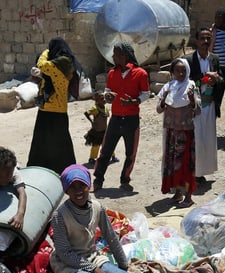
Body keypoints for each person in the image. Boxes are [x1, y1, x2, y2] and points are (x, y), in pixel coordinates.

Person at [50, 164, 138, 273]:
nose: (78, 191)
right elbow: (64, 253)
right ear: (66, 190)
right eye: (72, 187)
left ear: (89, 185)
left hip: (92, 257)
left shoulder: (97, 207)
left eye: (82, 186)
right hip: (68, 265)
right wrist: (94, 270)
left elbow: (111, 237)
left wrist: (124, 266)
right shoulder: (60, 216)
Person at [92, 42, 150, 193]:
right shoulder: (112, 73)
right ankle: (98, 180)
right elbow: (108, 91)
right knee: (106, 150)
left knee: (130, 153)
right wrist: (106, 96)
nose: (113, 57)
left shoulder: (140, 73)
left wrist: (133, 101)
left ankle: (125, 180)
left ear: (123, 56)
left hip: (131, 119)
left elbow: (146, 93)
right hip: (116, 118)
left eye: (115, 54)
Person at [27, 37, 78, 174]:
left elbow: (42, 65)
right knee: (43, 144)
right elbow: (44, 73)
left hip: (56, 112)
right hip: (46, 110)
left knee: (60, 145)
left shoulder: (63, 63)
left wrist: (45, 52)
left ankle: (65, 173)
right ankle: (43, 171)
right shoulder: (53, 70)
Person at [156, 58, 201, 208]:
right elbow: (159, 109)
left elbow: (198, 110)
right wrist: (163, 99)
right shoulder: (168, 87)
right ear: (172, 72)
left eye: (183, 70)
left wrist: (192, 100)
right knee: (172, 163)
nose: (181, 73)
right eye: (177, 70)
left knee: (186, 164)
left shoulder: (191, 86)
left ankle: (188, 196)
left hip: (186, 133)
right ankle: (177, 192)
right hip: (171, 132)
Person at [184, 28, 223, 184]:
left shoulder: (214, 59)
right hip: (193, 107)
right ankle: (191, 172)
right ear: (196, 41)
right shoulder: (189, 60)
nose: (205, 42)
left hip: (210, 105)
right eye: (202, 38)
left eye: (208, 38)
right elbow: (186, 83)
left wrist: (216, 80)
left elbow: (221, 79)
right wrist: (205, 78)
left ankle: (201, 172)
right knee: (194, 139)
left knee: (207, 139)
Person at [83, 91, 118, 165]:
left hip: (105, 130)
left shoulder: (105, 108)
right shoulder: (95, 108)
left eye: (104, 98)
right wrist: (91, 121)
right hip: (97, 131)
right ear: (97, 101)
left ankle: (113, 156)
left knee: (109, 144)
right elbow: (86, 113)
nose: (104, 100)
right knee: (96, 145)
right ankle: (92, 158)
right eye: (101, 99)